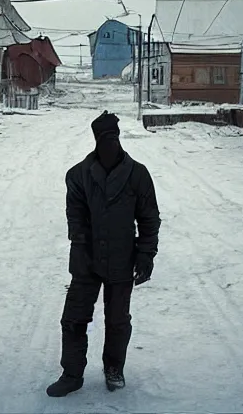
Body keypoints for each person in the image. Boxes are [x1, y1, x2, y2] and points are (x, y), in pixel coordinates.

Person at [46, 110, 161, 397]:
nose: (110, 143)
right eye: (104, 138)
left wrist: (146, 255)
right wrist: (81, 244)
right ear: (96, 140)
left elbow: (149, 218)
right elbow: (76, 216)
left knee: (118, 320)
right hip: (86, 259)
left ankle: (114, 369)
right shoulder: (78, 175)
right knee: (73, 318)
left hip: (123, 259)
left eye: (113, 137)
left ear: (119, 138)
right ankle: (72, 374)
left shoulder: (138, 174)